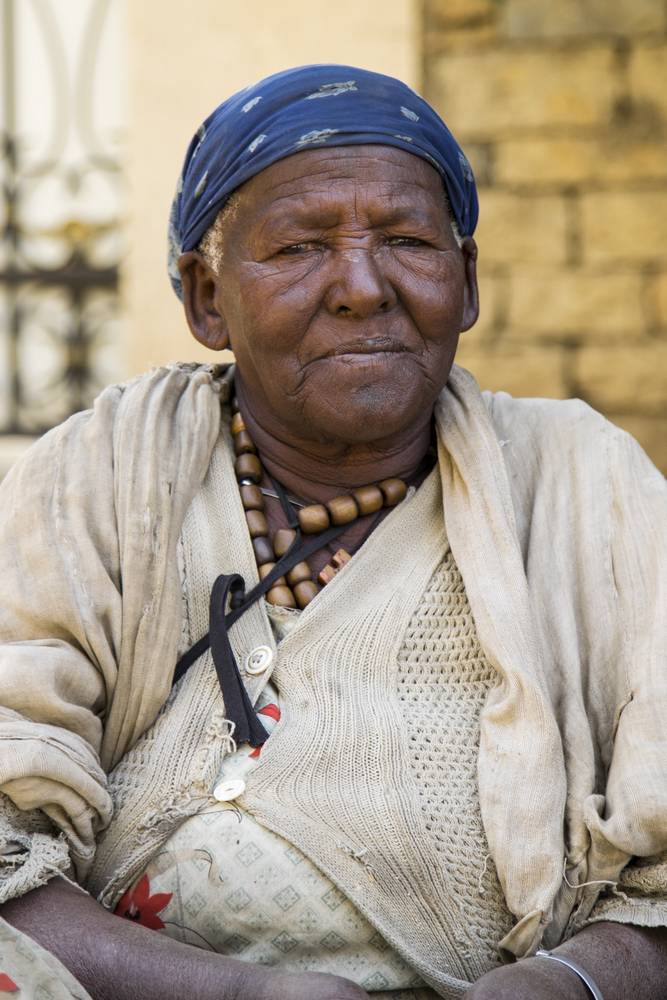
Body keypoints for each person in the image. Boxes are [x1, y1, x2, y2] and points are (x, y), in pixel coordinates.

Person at [0, 64, 665, 1000]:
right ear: (204, 298)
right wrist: (238, 995)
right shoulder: (101, 474)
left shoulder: (582, 484)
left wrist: (567, 984)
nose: (361, 287)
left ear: (464, 281)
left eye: (405, 240)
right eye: (301, 247)